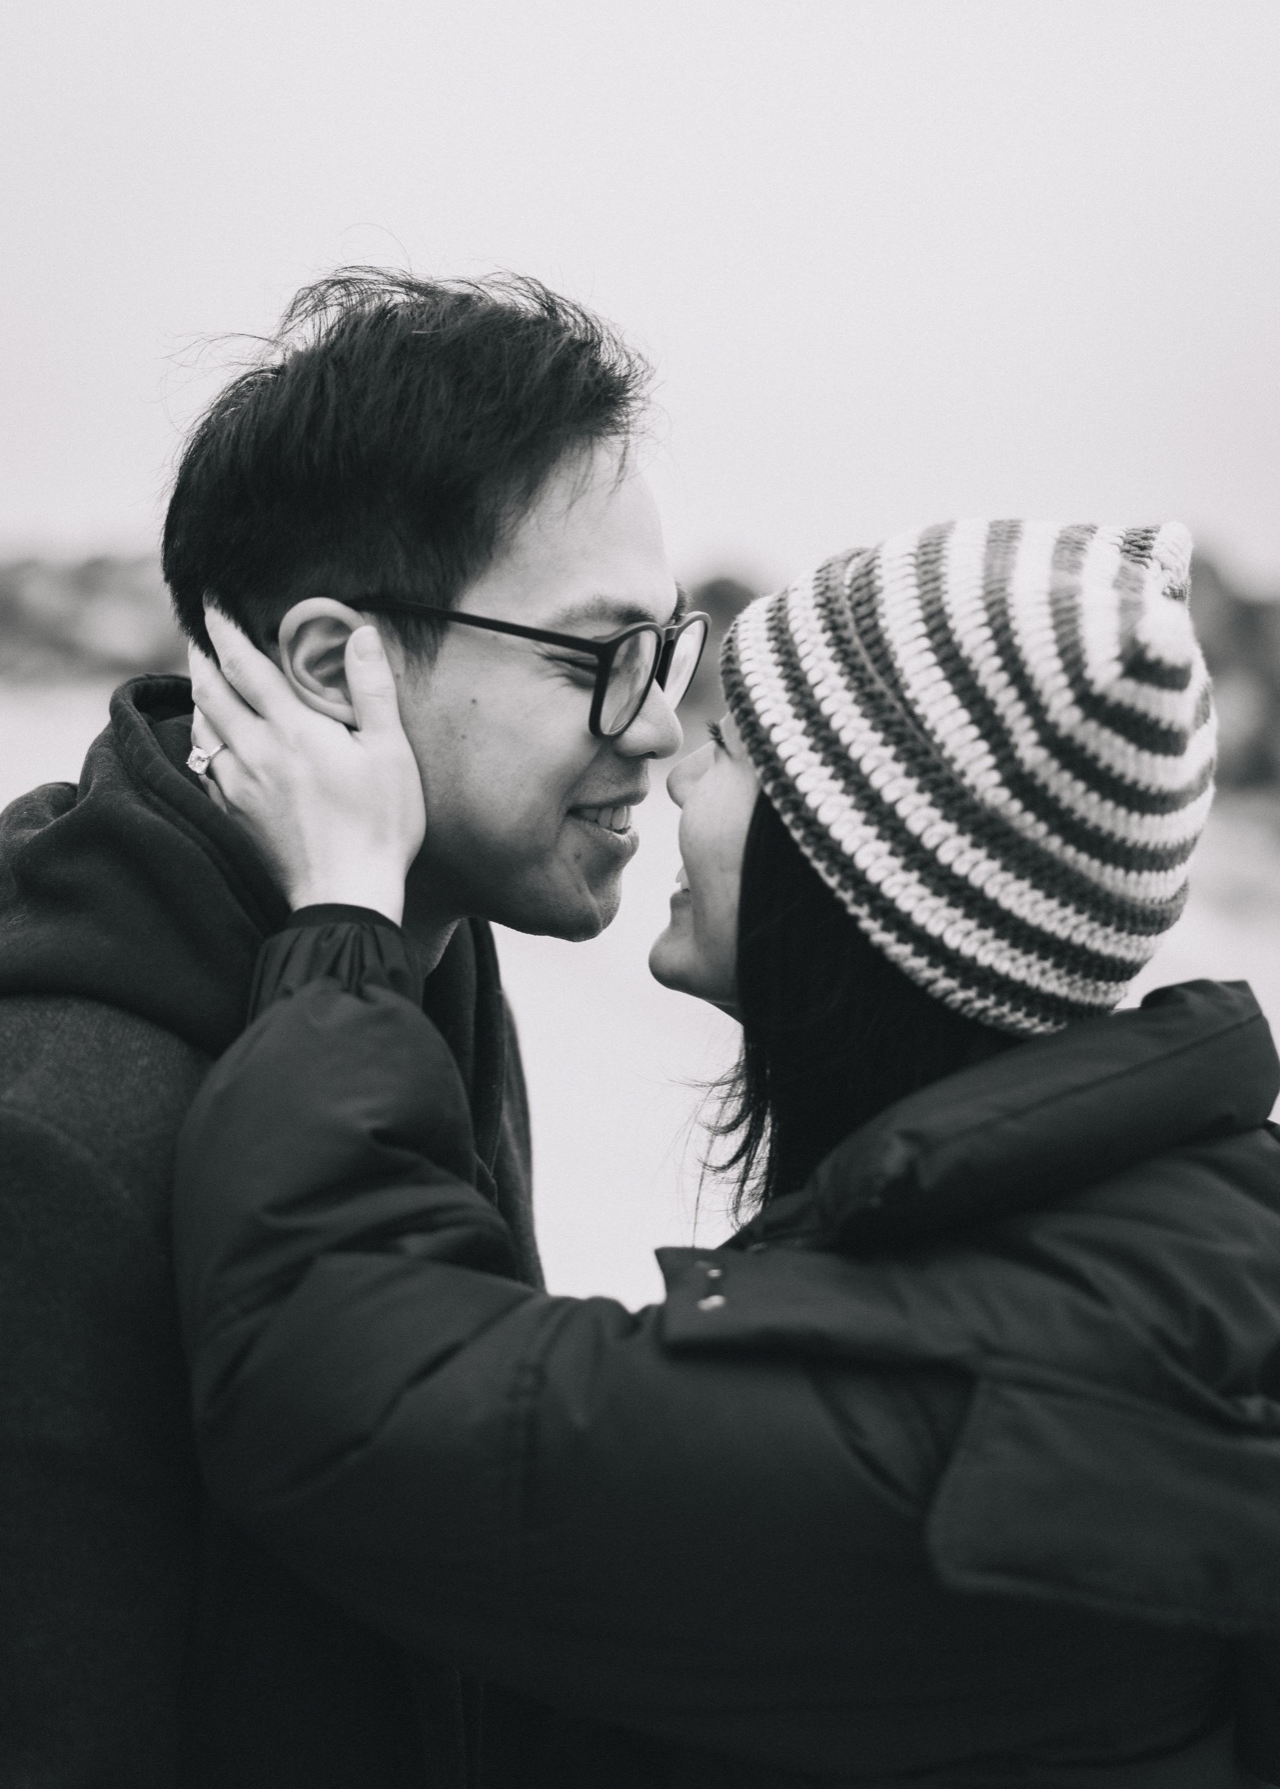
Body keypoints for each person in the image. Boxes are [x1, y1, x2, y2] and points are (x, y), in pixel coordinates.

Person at [175, 516, 1280, 1788]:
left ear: (858, 872)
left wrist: (344, 909)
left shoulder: (938, 1420)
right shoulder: (1154, 1225)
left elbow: (340, 1392)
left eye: (732, 747)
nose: (673, 769)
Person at [0, 269, 705, 1786]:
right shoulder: (53, 1139)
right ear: (335, 670)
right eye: (595, 658)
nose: (656, 724)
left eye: (667, 649)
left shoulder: (417, 958)